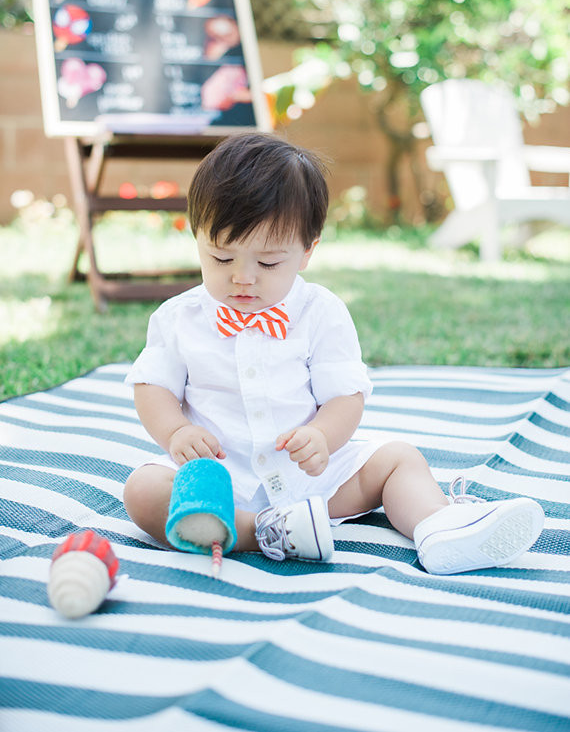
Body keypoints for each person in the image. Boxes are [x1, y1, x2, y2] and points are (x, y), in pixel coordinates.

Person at [123, 133, 544, 575]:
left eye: (267, 264)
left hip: (311, 476)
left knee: (397, 458)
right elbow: (154, 387)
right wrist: (175, 433)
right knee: (144, 490)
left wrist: (323, 436)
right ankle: (263, 530)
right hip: (217, 481)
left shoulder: (320, 312)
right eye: (221, 258)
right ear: (197, 240)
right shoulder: (179, 317)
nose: (242, 279)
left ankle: (439, 527)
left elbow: (345, 396)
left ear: (307, 252)